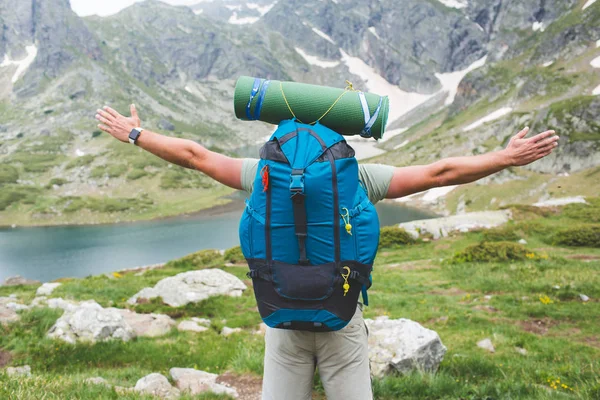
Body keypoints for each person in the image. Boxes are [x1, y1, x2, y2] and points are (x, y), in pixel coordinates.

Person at [95, 104, 559, 400]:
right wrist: (504, 158)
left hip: (281, 315)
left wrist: (137, 135)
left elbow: (195, 155)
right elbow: (440, 173)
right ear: (339, 144)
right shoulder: (357, 178)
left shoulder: (262, 172)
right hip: (342, 317)